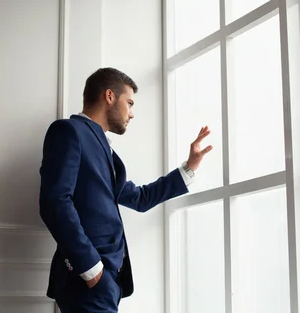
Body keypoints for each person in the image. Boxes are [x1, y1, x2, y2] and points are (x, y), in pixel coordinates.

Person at [39, 67, 212, 312]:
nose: (132, 114)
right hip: (87, 278)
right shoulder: (69, 131)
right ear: (109, 96)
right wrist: (92, 269)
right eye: (129, 103)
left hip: (108, 281)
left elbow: (140, 198)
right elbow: (55, 202)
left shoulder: (107, 151)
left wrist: (189, 167)